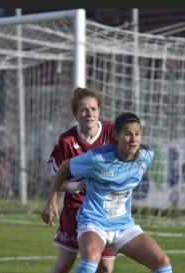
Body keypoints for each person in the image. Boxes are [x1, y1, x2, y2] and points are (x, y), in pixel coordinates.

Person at [42, 112, 173, 273]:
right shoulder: (98, 158)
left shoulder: (146, 155)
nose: (133, 139)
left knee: (163, 262)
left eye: (137, 134)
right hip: (94, 222)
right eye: (128, 134)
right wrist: (53, 198)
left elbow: (140, 147)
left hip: (123, 225)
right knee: (90, 260)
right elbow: (66, 166)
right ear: (116, 136)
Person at [44, 87, 116, 273]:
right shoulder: (66, 141)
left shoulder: (111, 132)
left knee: (106, 267)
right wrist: (77, 186)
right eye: (83, 109)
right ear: (75, 115)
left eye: (93, 108)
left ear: (99, 110)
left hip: (105, 209)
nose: (89, 113)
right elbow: (56, 183)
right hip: (76, 208)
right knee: (64, 266)